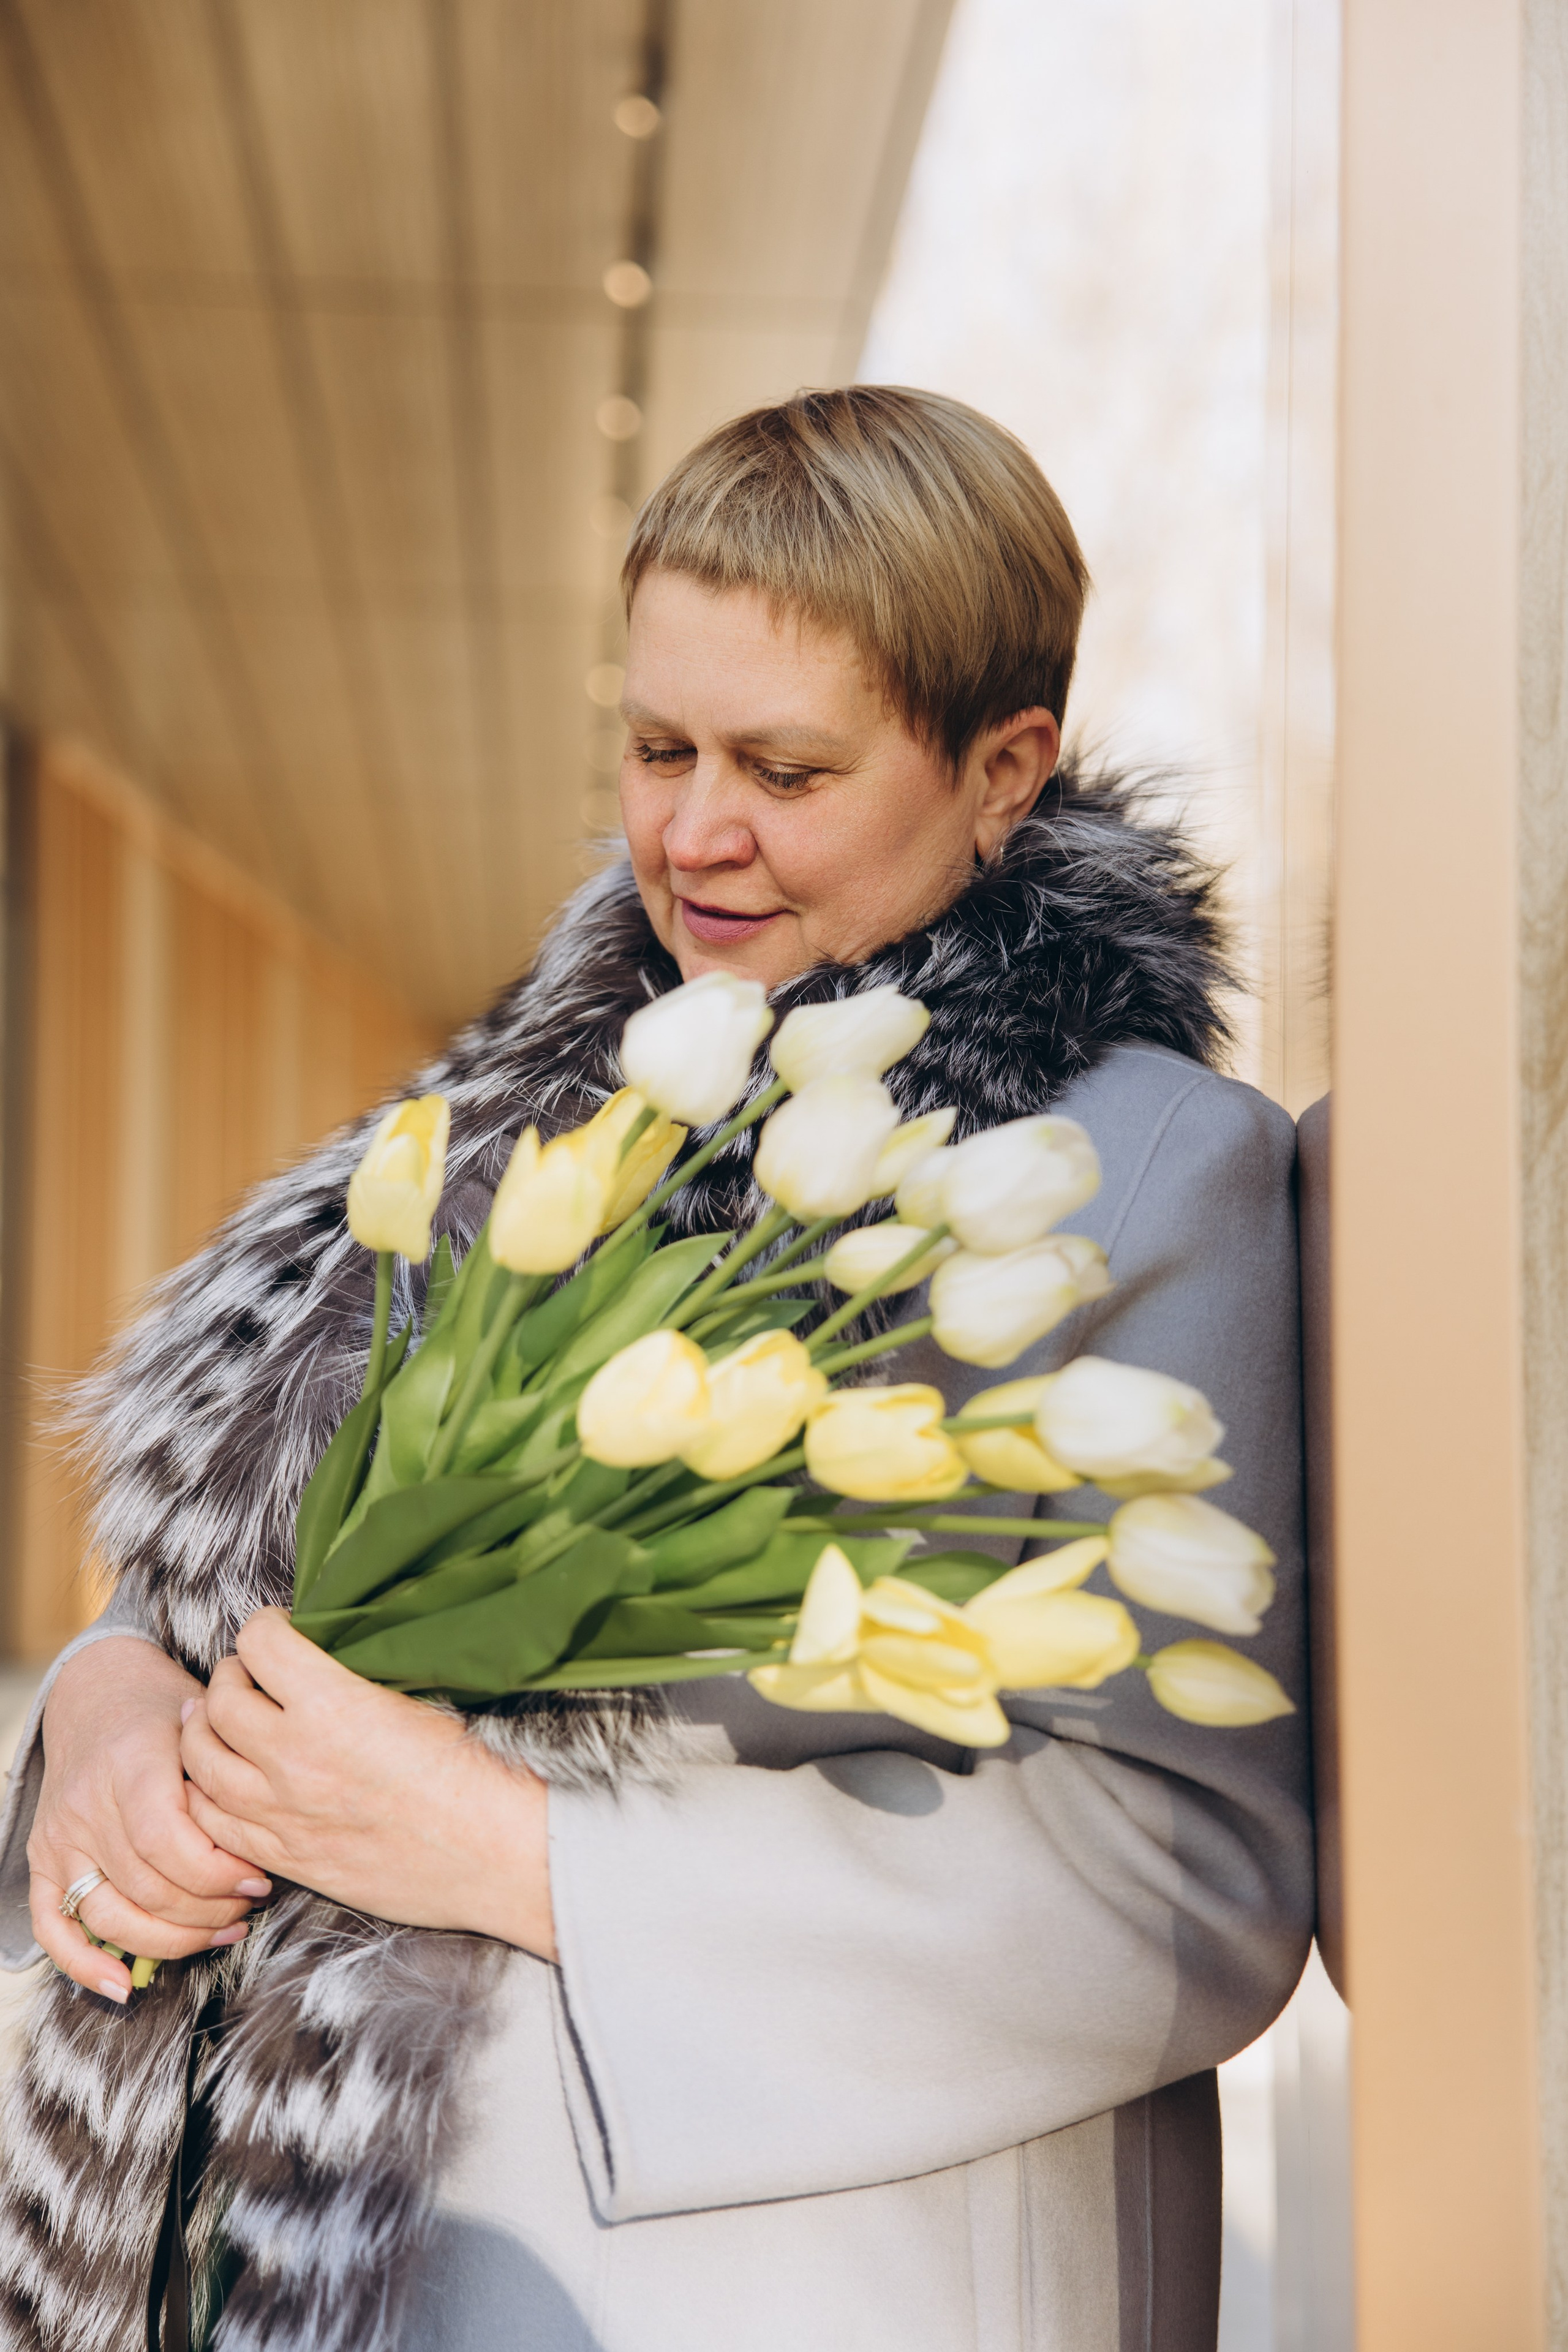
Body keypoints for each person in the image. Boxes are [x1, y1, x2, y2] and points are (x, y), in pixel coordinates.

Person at [0, 387, 1311, 2352]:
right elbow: (301, 1562)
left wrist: (513, 1852)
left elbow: (1188, 1877)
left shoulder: (1138, 1177)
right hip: (332, 2264)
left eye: (786, 768)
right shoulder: (543, 1103)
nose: (695, 834)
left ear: (1003, 772)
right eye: (658, 746)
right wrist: (111, 1712)